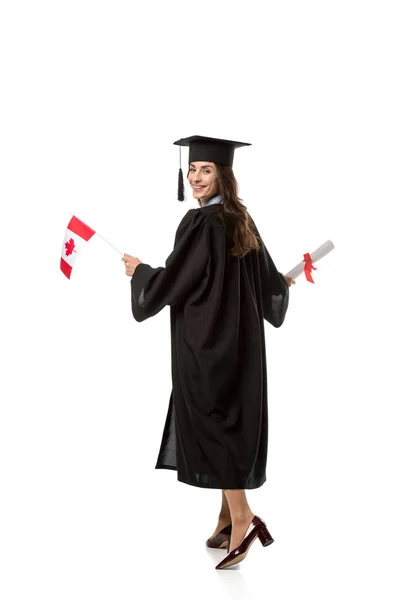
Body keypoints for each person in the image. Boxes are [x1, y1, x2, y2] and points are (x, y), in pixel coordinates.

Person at [121, 135, 295, 569]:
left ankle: (244, 518)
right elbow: (268, 277)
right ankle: (224, 517)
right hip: (242, 343)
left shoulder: (200, 223)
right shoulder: (239, 217)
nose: (196, 177)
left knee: (213, 420)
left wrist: (141, 273)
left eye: (206, 170)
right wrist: (278, 286)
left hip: (206, 341)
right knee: (229, 417)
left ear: (224, 175)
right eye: (193, 169)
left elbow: (177, 280)